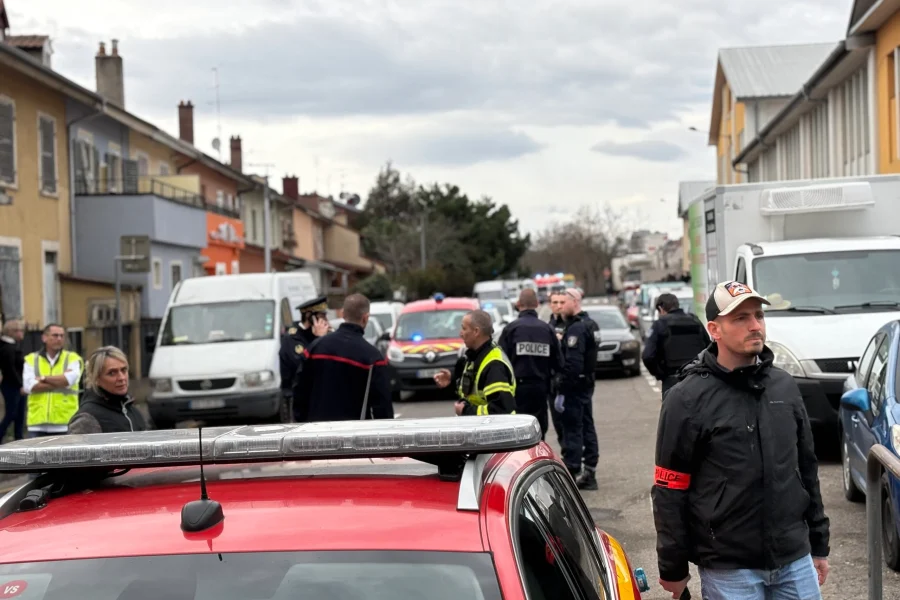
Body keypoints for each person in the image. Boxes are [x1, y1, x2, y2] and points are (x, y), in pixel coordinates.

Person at [653, 281, 829, 600]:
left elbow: (806, 469)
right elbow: (669, 490)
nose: (754, 325)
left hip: (794, 558)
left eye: (759, 316)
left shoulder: (784, 387)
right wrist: (673, 568)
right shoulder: (686, 399)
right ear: (714, 329)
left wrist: (818, 543)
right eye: (740, 318)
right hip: (729, 568)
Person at [292, 294, 393, 422]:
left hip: (316, 433)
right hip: (353, 435)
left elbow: (300, 389)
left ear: (343, 314)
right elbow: (383, 407)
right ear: (365, 318)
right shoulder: (373, 357)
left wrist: (303, 422)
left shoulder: (315, 348)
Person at [498, 288, 563, 439]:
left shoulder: (510, 329)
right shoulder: (547, 329)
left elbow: (500, 362)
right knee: (539, 430)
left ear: (519, 304)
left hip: (516, 390)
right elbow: (559, 363)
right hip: (540, 388)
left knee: (517, 432)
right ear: (537, 304)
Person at [555, 289, 599, 490]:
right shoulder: (590, 324)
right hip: (586, 384)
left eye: (564, 302)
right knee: (587, 425)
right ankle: (589, 469)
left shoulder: (576, 329)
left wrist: (562, 388)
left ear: (575, 302)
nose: (560, 306)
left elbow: (573, 365)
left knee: (573, 428)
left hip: (575, 387)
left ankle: (573, 472)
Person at [434, 310, 516, 416]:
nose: (460, 333)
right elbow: (471, 391)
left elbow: (501, 410)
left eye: (464, 328)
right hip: (480, 429)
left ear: (476, 332)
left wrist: (466, 411)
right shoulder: (476, 356)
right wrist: (452, 379)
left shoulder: (494, 366)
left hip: (493, 431)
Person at [68, 346, 150, 434]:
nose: (121, 378)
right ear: (97, 379)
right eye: (112, 373)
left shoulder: (133, 411)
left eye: (124, 370)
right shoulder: (87, 419)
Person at [642, 292, 710, 398]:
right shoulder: (695, 320)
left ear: (661, 308)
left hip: (673, 382)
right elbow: (709, 348)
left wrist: (661, 374)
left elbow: (647, 356)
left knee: (674, 413)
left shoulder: (660, 324)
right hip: (698, 380)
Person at [22, 323, 83, 437]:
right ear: (44, 338)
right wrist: (60, 381)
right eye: (55, 335)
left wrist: (44, 379)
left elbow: (69, 380)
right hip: (37, 424)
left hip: (65, 423)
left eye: (62, 336)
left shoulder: (73, 358)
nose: (59, 338)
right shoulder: (31, 359)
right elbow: (29, 386)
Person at [279, 295, 330, 418]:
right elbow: (303, 367)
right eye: (321, 316)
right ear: (309, 316)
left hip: (320, 397)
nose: (325, 320)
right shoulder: (292, 338)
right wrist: (320, 339)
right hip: (297, 399)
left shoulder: (322, 335)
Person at [0, 319, 26, 442]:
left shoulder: (12, 346)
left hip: (16, 385)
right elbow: (10, 369)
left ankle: (19, 439)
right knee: (11, 413)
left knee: (19, 415)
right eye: (20, 330)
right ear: (12, 332)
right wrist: (20, 385)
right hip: (12, 386)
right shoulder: (8, 348)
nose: (22, 333)